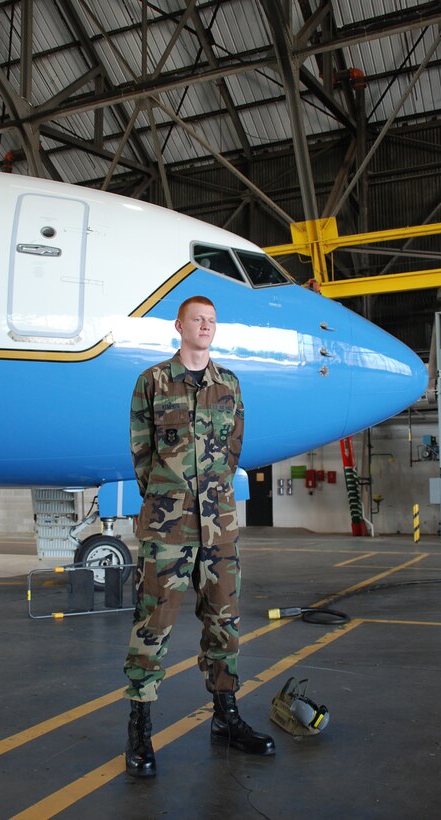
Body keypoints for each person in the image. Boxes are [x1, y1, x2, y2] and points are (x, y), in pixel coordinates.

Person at [123, 295, 275, 777]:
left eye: (212, 320)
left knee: (225, 620)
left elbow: (234, 447)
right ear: (179, 326)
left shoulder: (228, 383)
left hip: (220, 525)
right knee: (155, 621)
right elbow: (141, 449)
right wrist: (166, 497)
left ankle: (225, 716)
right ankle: (140, 723)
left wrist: (213, 494)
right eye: (198, 320)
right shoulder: (152, 381)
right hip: (169, 524)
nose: (206, 326)